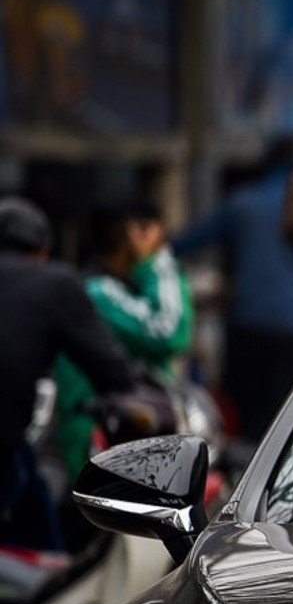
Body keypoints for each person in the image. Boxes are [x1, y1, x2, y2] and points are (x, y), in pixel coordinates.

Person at [0, 198, 135, 550]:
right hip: (5, 441)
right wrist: (125, 382)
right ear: (43, 249)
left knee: (34, 502)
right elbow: (110, 369)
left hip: (14, 444)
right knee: (40, 538)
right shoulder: (55, 283)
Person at [173, 139, 293, 439]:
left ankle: (245, 477)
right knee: (289, 415)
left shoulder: (242, 203)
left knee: (246, 416)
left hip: (248, 324)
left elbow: (186, 242)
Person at [51, 202, 196, 481]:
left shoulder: (116, 289)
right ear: (127, 235)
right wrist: (156, 264)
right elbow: (168, 332)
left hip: (129, 432)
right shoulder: (97, 292)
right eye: (147, 232)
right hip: (100, 439)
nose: (159, 242)